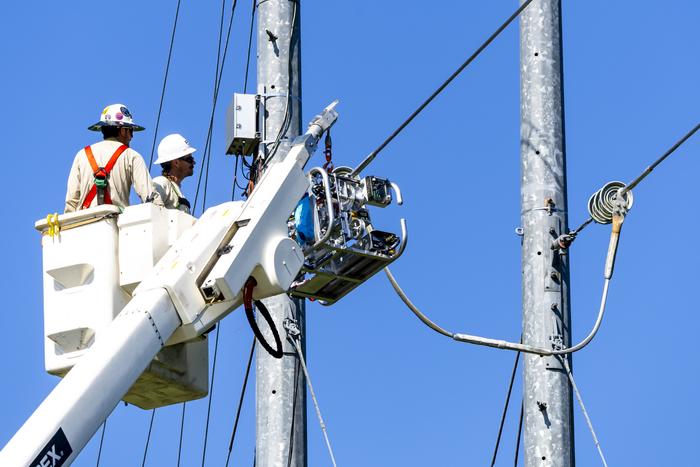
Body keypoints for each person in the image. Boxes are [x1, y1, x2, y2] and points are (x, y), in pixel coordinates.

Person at [65, 104, 160, 212]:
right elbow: (150, 196)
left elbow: (71, 201)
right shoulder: (132, 156)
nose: (132, 137)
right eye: (131, 131)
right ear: (123, 130)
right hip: (116, 225)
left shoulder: (82, 155)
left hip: (84, 225)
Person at [152, 133, 196, 214]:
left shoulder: (176, 190)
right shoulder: (161, 182)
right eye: (189, 159)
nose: (194, 162)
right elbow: (151, 208)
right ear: (176, 162)